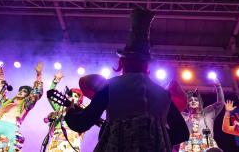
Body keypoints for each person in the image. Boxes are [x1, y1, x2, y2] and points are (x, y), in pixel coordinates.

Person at [65, 8, 189, 152]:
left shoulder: (110, 87)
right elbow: (182, 133)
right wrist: (154, 136)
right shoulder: (163, 94)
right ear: (147, 65)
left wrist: (70, 112)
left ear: (122, 62)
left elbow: (83, 123)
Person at [0, 62, 44, 152]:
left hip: (8, 133)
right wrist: (0, 74)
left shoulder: (25, 105)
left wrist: (39, 75)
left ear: (27, 95)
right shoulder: (6, 102)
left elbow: (36, 94)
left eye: (24, 91)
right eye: (20, 90)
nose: (20, 92)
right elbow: (1, 90)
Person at [179, 79, 224, 152]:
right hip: (189, 146)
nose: (193, 101)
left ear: (200, 102)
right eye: (190, 100)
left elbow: (220, 103)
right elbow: (169, 111)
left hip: (207, 144)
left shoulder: (208, 112)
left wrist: (218, 86)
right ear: (187, 104)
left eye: (196, 100)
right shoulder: (184, 116)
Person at [46, 71, 85, 152]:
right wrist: (55, 81)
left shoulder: (83, 110)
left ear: (79, 100)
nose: (72, 98)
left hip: (73, 142)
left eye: (76, 96)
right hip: (56, 142)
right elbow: (51, 95)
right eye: (71, 95)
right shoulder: (61, 107)